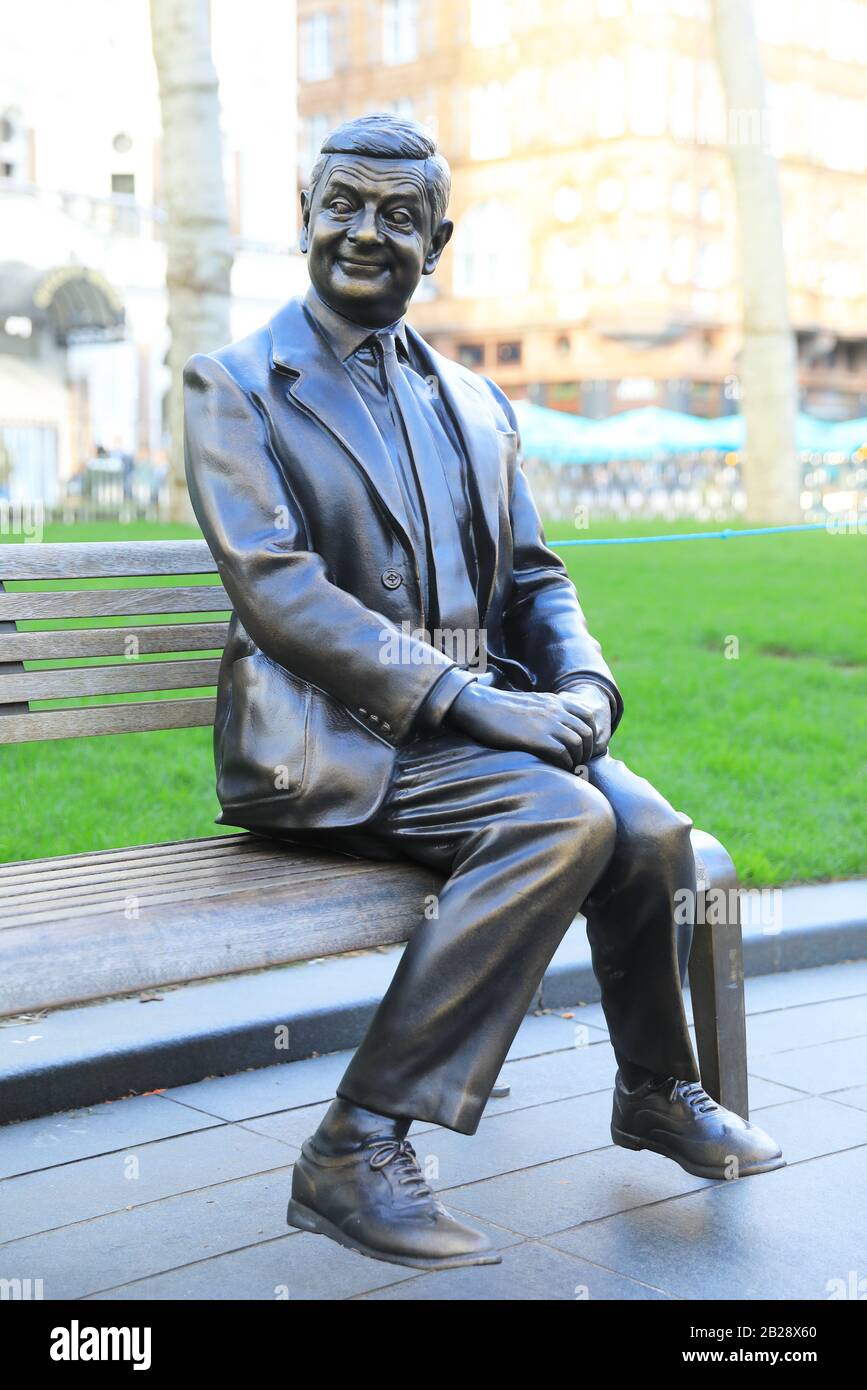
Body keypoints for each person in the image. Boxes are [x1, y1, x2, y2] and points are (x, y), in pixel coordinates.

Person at [183, 114, 783, 1273]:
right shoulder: (236, 384)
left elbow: (541, 579)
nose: (366, 232)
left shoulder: (474, 402)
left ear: (437, 240)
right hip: (324, 742)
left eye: (398, 217)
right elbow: (279, 593)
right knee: (564, 815)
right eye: (343, 206)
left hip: (467, 730)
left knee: (653, 831)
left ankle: (657, 1090)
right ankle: (354, 1148)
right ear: (300, 218)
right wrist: (467, 699)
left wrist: (585, 676)